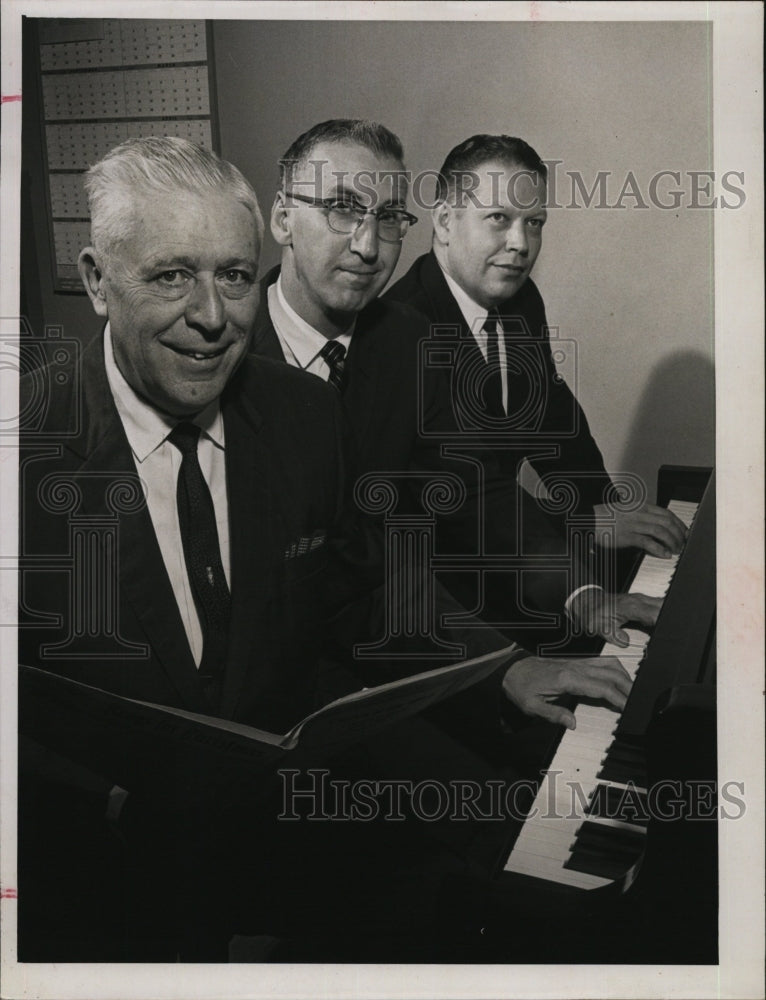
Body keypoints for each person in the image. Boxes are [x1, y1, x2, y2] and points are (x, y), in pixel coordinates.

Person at [16, 136, 388, 962]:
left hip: (284, 856)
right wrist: (102, 801)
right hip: (89, 894)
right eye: (171, 275)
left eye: (231, 274)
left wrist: (504, 665)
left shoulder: (305, 416)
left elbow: (355, 594)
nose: (214, 318)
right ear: (95, 282)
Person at [252, 118, 658, 697]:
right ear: (282, 217)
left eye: (389, 218)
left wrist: (576, 592)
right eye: (342, 209)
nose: (368, 246)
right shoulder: (219, 356)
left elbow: (474, 487)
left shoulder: (401, 339)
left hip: (406, 626)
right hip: (277, 676)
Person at [385, 133, 688, 567]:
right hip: (432, 574)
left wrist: (611, 510)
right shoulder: (401, 327)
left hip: (510, 548)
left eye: (535, 222)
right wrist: (584, 522)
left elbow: (552, 416)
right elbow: (454, 498)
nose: (521, 244)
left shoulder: (521, 301)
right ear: (445, 220)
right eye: (498, 218)